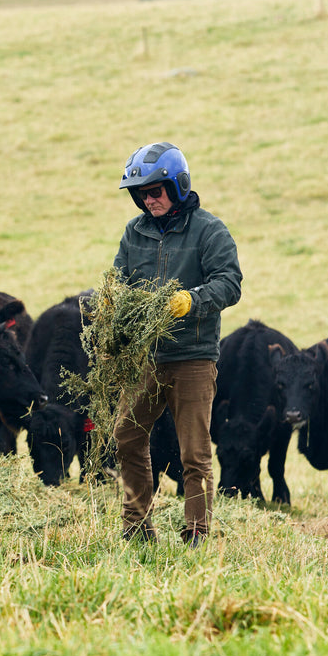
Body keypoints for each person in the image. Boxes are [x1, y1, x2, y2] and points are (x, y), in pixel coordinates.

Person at [111, 142, 242, 547]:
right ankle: (137, 527)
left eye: (156, 190)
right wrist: (111, 304)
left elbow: (230, 283)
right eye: (142, 193)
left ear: (178, 185)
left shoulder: (209, 230)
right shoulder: (135, 233)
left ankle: (197, 533)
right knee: (126, 436)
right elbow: (119, 279)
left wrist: (192, 300)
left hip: (193, 359)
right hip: (147, 359)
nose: (149, 199)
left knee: (194, 453)